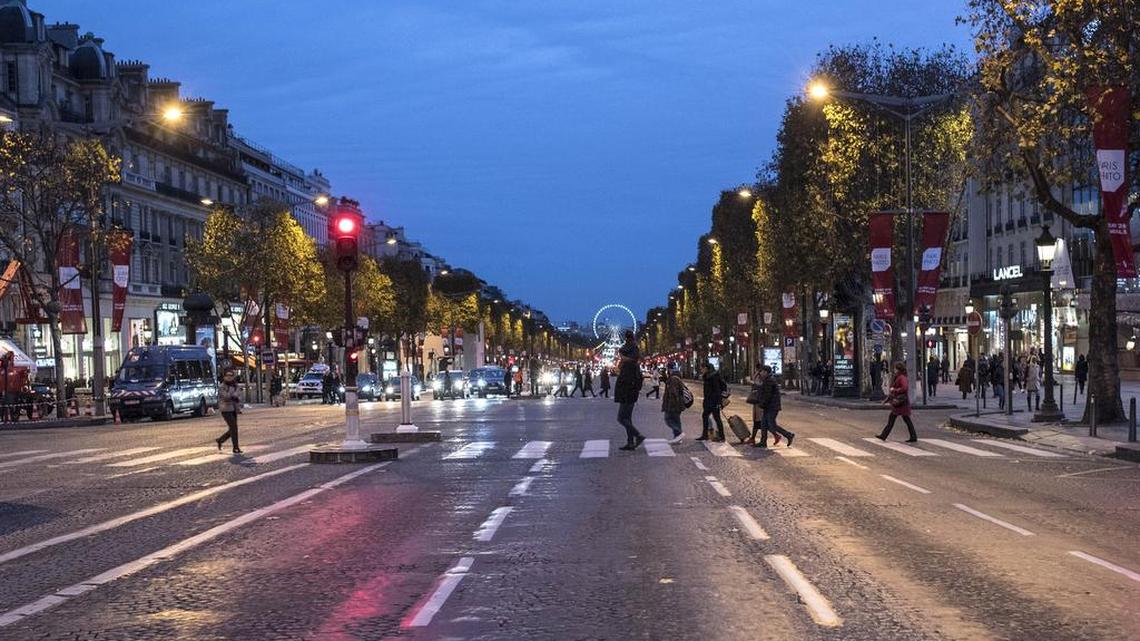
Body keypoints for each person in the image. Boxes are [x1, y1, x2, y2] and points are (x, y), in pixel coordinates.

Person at [614, 330, 645, 451]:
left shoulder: (628, 366)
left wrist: (622, 358)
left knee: (621, 418)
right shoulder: (635, 365)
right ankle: (630, 442)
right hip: (632, 392)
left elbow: (623, 378)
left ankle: (638, 435)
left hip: (626, 392)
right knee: (627, 418)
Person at [751, 364, 795, 448]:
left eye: (762, 371)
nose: (760, 373)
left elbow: (767, 395)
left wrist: (761, 403)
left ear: (766, 372)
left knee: (772, 425)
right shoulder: (767, 379)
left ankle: (788, 435)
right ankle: (763, 441)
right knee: (763, 424)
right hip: (768, 406)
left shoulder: (769, 381)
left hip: (772, 407)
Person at [877, 361, 917, 442]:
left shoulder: (901, 377)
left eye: (895, 368)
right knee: (905, 420)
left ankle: (884, 435)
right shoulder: (899, 377)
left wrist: (894, 390)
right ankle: (913, 436)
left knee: (897, 419)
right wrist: (886, 400)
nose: (894, 370)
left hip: (901, 403)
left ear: (898, 369)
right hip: (900, 403)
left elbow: (904, 388)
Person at [215, 369, 244, 454]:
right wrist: (233, 395)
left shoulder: (235, 385)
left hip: (234, 408)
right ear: (224, 377)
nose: (229, 377)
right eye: (227, 375)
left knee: (233, 428)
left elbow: (239, 395)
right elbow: (225, 396)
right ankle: (235, 447)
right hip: (226, 409)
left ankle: (220, 440)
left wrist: (238, 404)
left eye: (231, 375)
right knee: (233, 427)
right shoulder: (222, 386)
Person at [697, 361, 727, 442]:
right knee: (707, 416)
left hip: (713, 401)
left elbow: (717, 390)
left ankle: (721, 436)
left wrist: (718, 402)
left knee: (716, 418)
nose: (701, 370)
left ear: (706, 368)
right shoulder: (708, 376)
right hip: (709, 401)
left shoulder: (713, 377)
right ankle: (706, 435)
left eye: (702, 368)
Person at [660, 362, 686, 444]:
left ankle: (679, 433)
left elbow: (673, 393)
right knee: (676, 420)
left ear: (669, 369)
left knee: (668, 419)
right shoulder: (676, 377)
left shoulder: (673, 378)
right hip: (678, 403)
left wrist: (670, 405)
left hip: (674, 404)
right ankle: (677, 437)